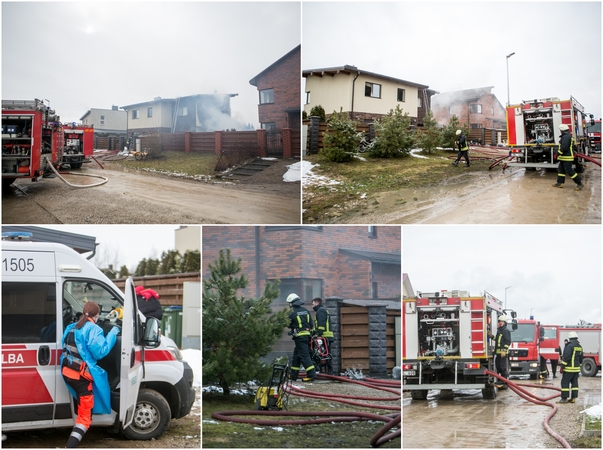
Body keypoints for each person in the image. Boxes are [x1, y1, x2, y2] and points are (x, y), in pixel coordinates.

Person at [61, 302, 119, 448]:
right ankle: (69, 447)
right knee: (85, 418)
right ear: (97, 315)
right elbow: (101, 352)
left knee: (83, 406)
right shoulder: (94, 329)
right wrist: (112, 333)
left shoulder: (72, 327)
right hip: (81, 376)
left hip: (67, 371)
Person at [286, 293, 316, 382]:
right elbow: (311, 324)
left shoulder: (291, 312)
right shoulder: (306, 310)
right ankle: (293, 375)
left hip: (299, 337)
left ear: (291, 303)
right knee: (296, 356)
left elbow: (287, 323)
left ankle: (311, 375)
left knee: (304, 355)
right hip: (307, 336)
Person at [552, 124, 584, 190]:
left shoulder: (566, 137)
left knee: (570, 171)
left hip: (566, 157)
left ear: (562, 130)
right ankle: (559, 183)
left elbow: (564, 147)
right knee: (561, 170)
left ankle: (579, 183)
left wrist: (558, 153)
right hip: (564, 158)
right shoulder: (567, 136)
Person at [557, 332, 583, 403]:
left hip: (569, 369)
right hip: (576, 369)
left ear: (570, 338)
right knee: (574, 383)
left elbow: (567, 357)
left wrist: (562, 366)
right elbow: (581, 359)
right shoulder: (579, 346)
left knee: (565, 382)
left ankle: (564, 398)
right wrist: (578, 367)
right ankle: (573, 398)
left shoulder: (569, 346)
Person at [312, 297, 334, 375]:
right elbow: (318, 326)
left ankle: (328, 371)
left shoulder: (320, 311)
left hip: (325, 336)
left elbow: (321, 324)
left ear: (317, 303)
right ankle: (326, 370)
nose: (312, 306)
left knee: (325, 354)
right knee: (324, 353)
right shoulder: (322, 310)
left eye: (313, 304)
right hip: (326, 336)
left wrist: (319, 335)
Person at [493, 315, 511, 389]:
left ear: (505, 323)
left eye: (502, 321)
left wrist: (504, 350)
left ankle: (504, 381)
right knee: (498, 367)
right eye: (500, 321)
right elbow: (497, 340)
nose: (500, 323)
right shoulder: (499, 330)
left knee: (502, 367)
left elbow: (508, 341)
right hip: (498, 353)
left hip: (503, 353)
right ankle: (500, 380)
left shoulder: (506, 331)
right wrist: (491, 336)